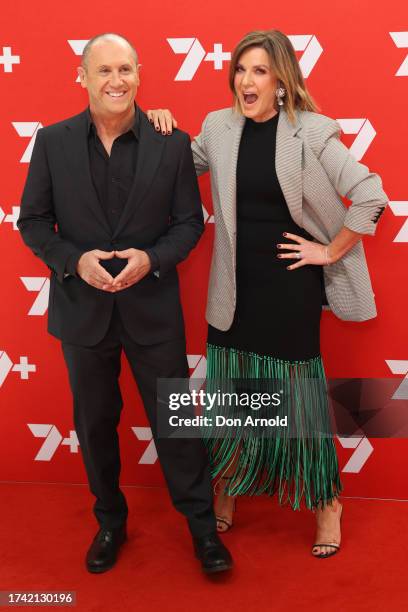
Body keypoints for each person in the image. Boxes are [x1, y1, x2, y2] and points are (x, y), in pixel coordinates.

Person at [147, 29, 388, 558]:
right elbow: (170, 171)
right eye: (240, 70)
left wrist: (329, 251)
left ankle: (326, 501)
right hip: (233, 287)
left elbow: (371, 193)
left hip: (288, 289)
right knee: (232, 391)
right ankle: (232, 481)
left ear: (281, 81)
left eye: (259, 71)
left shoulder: (313, 132)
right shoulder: (218, 126)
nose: (246, 80)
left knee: (298, 402)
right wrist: (159, 126)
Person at [17, 32, 232, 574]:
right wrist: (74, 261)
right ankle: (110, 522)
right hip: (81, 311)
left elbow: (188, 223)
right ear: (82, 78)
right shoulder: (52, 142)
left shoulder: (172, 142)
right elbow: (34, 222)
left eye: (127, 70)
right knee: (94, 424)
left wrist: (152, 259)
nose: (117, 80)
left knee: (177, 424)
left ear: (140, 75)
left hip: (152, 310)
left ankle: (203, 531)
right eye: (105, 70)